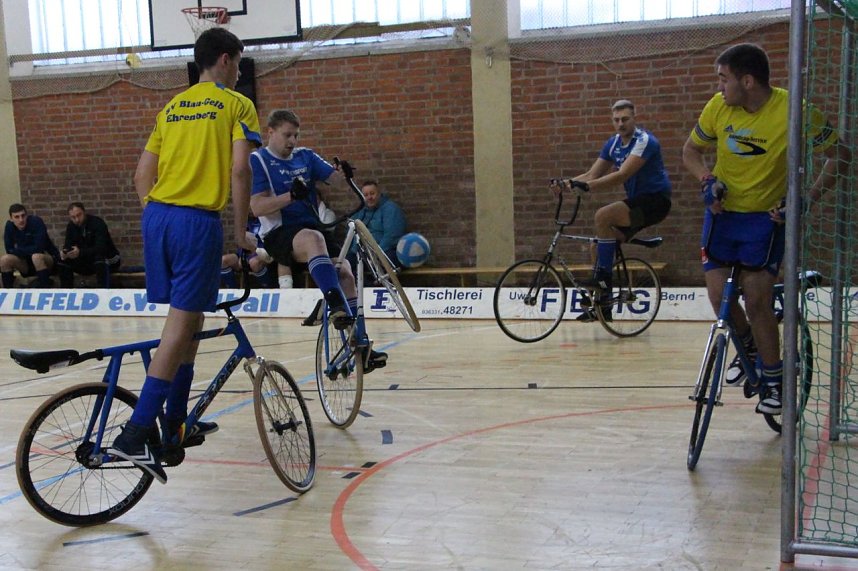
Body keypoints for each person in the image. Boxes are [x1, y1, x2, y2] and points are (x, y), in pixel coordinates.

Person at [108, 27, 262, 483]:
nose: (239, 71)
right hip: (196, 222)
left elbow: (141, 176)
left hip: (157, 216)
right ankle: (136, 432)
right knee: (178, 328)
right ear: (227, 60)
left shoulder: (171, 107)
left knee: (191, 321)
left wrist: (160, 216)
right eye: (239, 62)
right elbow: (239, 169)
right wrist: (240, 236)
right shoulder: (236, 104)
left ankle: (175, 426)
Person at [682, 43, 845, 416]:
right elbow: (691, 151)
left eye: (724, 79)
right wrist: (707, 180)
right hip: (722, 216)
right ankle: (750, 348)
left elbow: (841, 156)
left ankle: (775, 381)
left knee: (756, 300)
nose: (719, 87)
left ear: (748, 80)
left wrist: (807, 198)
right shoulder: (717, 107)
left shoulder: (796, 112)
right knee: (718, 296)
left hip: (764, 220)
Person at [249, 108, 387, 369]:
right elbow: (257, 207)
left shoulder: (305, 156)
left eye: (296, 136)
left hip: (312, 229)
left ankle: (361, 345)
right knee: (313, 239)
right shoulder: (259, 161)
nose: (292, 141)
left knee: (345, 270)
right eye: (287, 135)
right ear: (270, 132)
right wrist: (291, 196)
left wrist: (343, 174)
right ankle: (334, 304)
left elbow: (333, 180)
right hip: (279, 233)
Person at [550, 99, 672, 322]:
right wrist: (566, 183)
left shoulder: (645, 141)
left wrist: (587, 188)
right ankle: (603, 307)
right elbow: (591, 174)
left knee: (603, 215)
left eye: (625, 119)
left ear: (634, 118)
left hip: (655, 201)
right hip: (638, 202)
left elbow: (622, 175)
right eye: (616, 120)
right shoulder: (613, 144)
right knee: (597, 246)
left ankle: (603, 278)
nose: (620, 124)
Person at [57, 202, 121, 288]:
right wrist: (65, 253)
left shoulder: (97, 223)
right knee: (62, 262)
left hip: (109, 258)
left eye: (79, 215)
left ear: (84, 212)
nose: (77, 219)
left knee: (100, 259)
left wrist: (80, 252)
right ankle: (66, 292)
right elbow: (68, 244)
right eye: (73, 217)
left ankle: (104, 292)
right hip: (86, 261)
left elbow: (101, 248)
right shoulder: (71, 226)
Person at [1, 203, 59, 288]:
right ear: (11, 219)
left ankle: (45, 290)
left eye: (23, 216)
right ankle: (7, 293)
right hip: (25, 263)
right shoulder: (9, 226)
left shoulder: (36, 222)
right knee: (4, 259)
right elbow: (9, 250)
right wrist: (26, 250)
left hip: (46, 260)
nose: (21, 220)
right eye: (17, 217)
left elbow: (39, 247)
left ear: (27, 215)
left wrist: (18, 250)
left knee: (36, 257)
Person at [351, 179, 406, 268]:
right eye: (366, 195)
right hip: (363, 253)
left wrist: (376, 254)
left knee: (386, 262)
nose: (369, 197)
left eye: (372, 193)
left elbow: (391, 236)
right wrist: (355, 251)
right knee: (345, 264)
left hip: (385, 251)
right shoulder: (361, 212)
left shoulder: (390, 209)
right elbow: (353, 233)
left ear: (379, 194)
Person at [220, 216, 276, 288]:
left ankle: (269, 289)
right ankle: (233, 290)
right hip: (245, 254)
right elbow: (242, 243)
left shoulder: (268, 221)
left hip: (263, 253)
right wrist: (244, 257)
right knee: (223, 261)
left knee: (254, 263)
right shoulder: (245, 222)